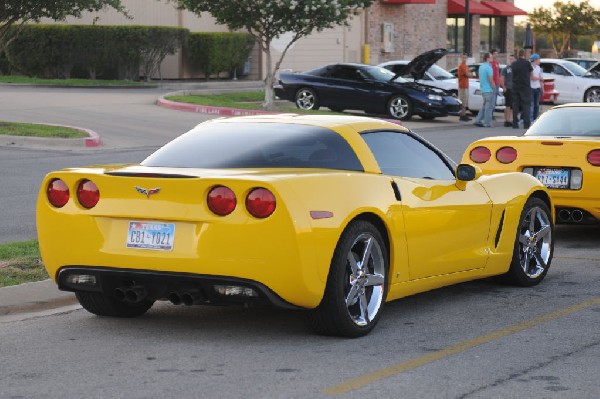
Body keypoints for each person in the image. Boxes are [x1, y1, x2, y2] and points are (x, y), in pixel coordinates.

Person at [511, 49, 532, 129]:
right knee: (526, 105)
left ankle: (514, 123)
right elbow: (530, 73)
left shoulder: (514, 64)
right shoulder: (527, 63)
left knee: (515, 105)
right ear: (524, 54)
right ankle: (526, 124)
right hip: (525, 86)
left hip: (515, 86)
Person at [473, 53, 495, 128]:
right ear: (487, 58)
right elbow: (491, 79)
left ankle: (478, 120)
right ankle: (487, 122)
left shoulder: (481, 67)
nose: (492, 58)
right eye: (491, 57)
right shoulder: (489, 68)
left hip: (483, 89)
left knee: (485, 106)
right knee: (488, 107)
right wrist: (494, 87)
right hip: (489, 89)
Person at [501, 55, 515, 127]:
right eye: (510, 59)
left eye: (512, 59)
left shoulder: (516, 68)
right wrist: (503, 87)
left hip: (514, 89)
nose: (511, 60)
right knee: (508, 105)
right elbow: (502, 78)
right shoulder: (506, 69)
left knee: (512, 105)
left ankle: (510, 119)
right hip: (508, 88)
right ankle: (507, 120)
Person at [530, 53, 544, 121]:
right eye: (538, 59)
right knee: (532, 104)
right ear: (535, 60)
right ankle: (531, 119)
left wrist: (542, 89)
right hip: (531, 88)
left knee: (537, 104)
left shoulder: (539, 68)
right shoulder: (530, 67)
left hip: (537, 88)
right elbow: (532, 78)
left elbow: (541, 79)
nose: (539, 61)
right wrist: (539, 78)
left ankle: (535, 119)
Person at [457, 53, 471, 121]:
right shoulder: (461, 66)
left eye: (465, 57)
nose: (464, 59)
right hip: (462, 86)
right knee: (462, 101)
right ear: (460, 58)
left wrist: (469, 74)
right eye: (463, 57)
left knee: (465, 101)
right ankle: (462, 116)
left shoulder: (466, 66)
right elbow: (467, 74)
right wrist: (469, 74)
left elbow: (471, 74)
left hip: (466, 85)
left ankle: (464, 114)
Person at [490, 49, 501, 116]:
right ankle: (490, 114)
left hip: (497, 83)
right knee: (492, 99)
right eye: (495, 54)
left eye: (497, 54)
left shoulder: (497, 63)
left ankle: (492, 113)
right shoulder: (491, 63)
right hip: (492, 83)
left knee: (495, 99)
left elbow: (497, 73)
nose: (496, 55)